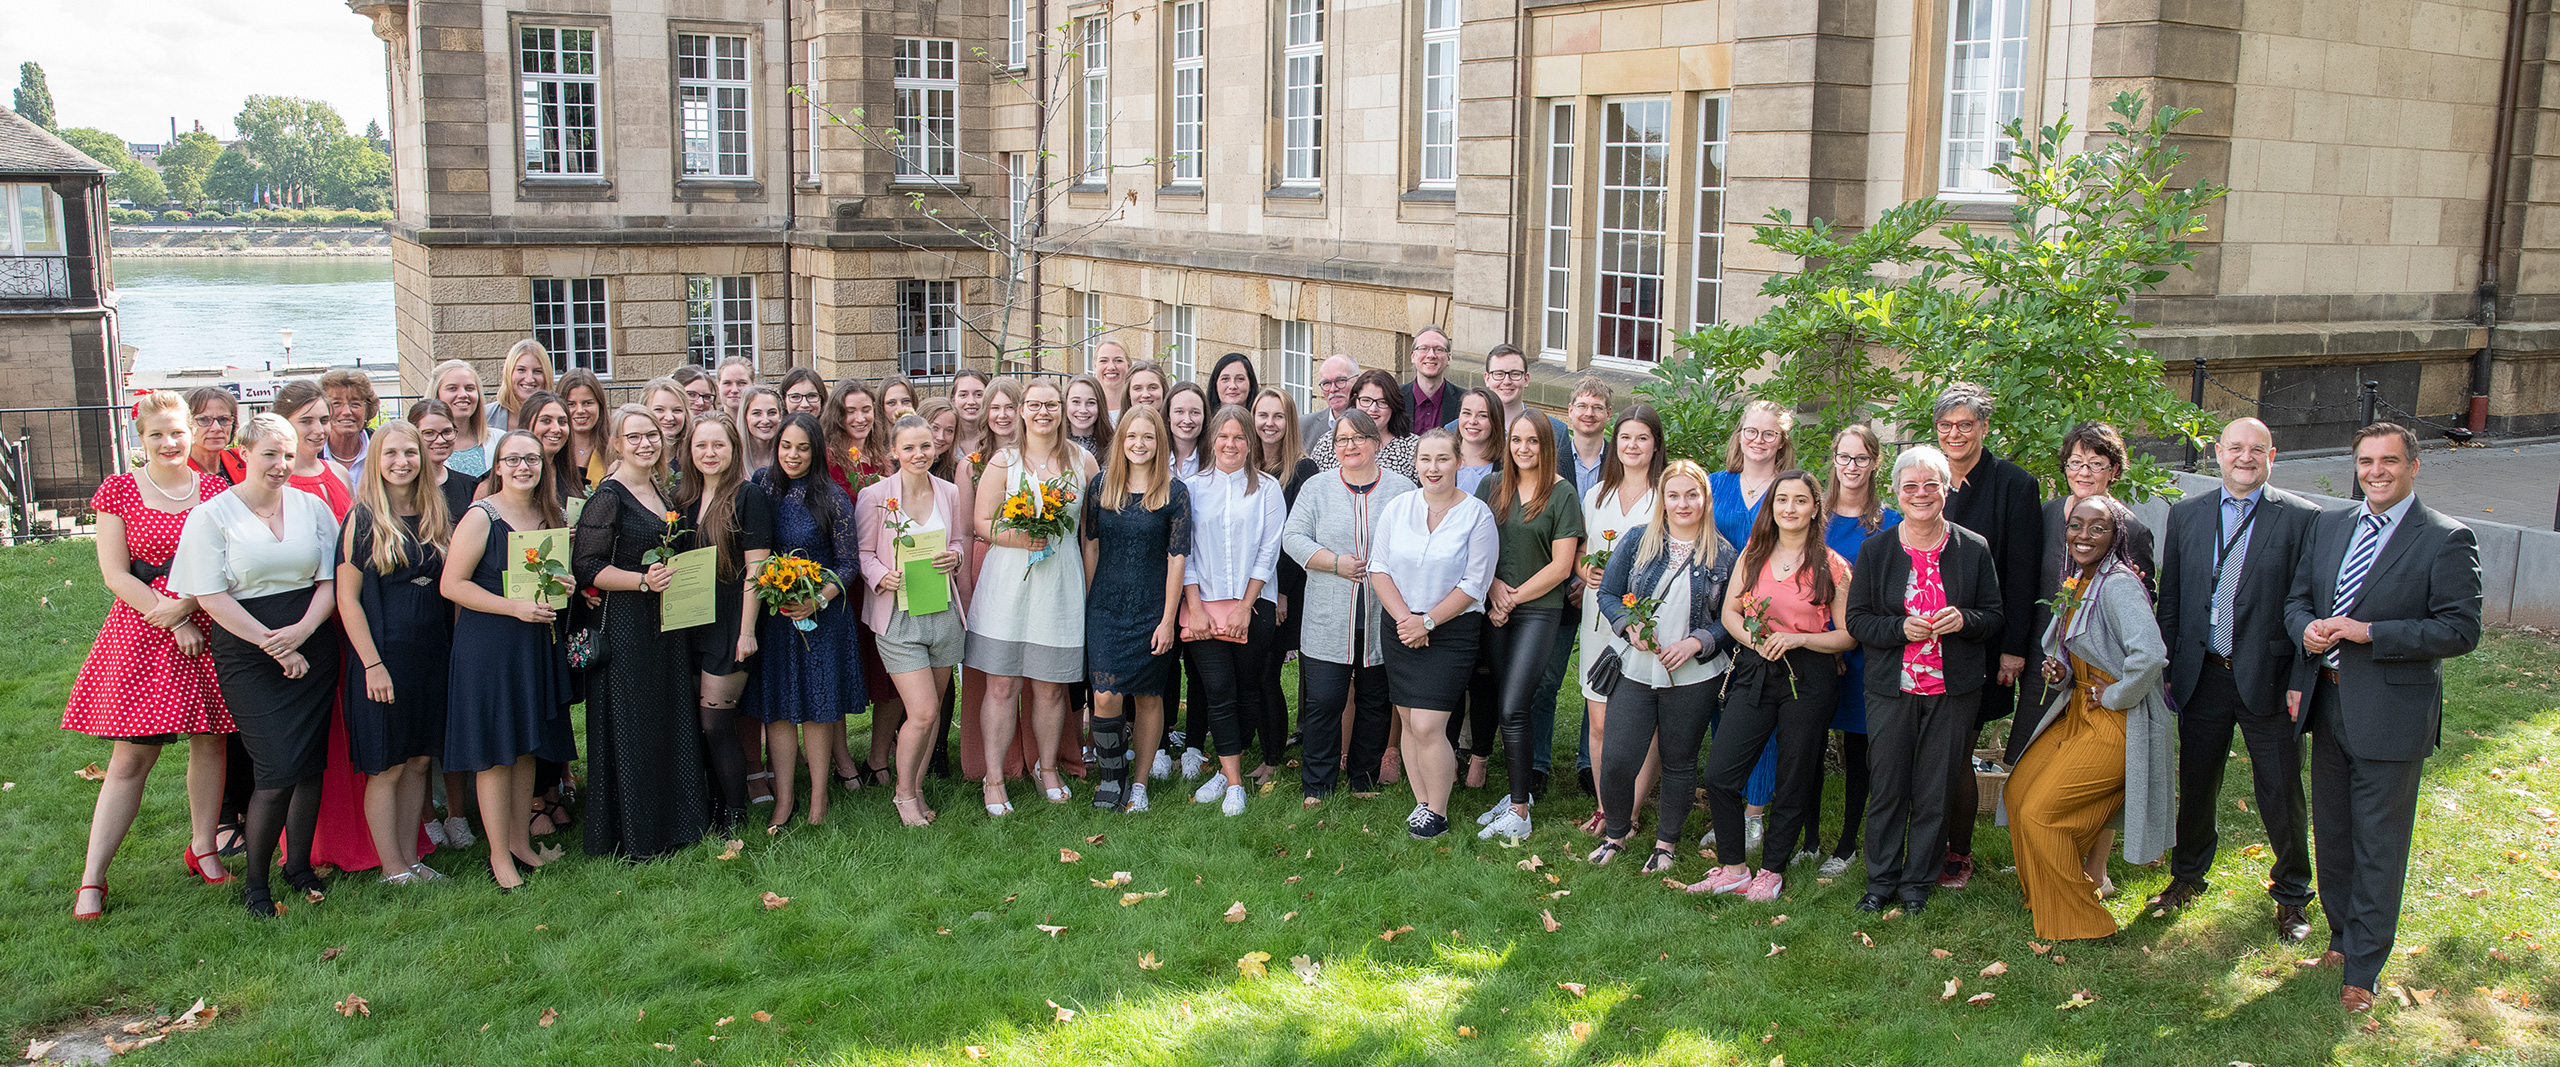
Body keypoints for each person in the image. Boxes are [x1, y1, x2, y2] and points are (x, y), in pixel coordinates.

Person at [2286, 422, 2482, 1012]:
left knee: (2379, 844)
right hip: (2331, 701)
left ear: (2413, 467)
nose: (2376, 472)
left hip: (2393, 714)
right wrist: (2308, 630)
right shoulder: (2330, 525)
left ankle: (2364, 971)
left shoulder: (2446, 538)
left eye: (2389, 461)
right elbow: (2298, 600)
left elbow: (2460, 629)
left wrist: (2370, 633)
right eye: (2366, 461)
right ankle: (2341, 940)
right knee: (2336, 835)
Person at [65, 391, 234, 919]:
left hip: (206, 624)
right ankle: (93, 877)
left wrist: (188, 607)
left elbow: (230, 559)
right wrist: (171, 615)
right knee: (133, 756)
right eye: (156, 434)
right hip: (144, 631)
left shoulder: (213, 488)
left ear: (191, 432)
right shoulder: (119, 490)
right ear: (141, 439)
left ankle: (204, 846)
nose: (169, 442)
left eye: (177, 431)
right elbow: (115, 573)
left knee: (211, 742)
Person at [2151, 417, 2320, 936]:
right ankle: (2188, 875)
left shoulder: (2301, 518)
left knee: (2280, 788)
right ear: (2217, 453)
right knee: (2198, 783)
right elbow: (2173, 597)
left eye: (2257, 449)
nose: (2245, 458)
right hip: (2202, 675)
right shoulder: (2186, 514)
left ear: (2273, 456)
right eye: (2235, 448)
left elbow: (2307, 602)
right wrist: (2169, 669)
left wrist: (2299, 677)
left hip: (2268, 677)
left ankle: (2292, 893)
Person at [171, 413, 345, 917]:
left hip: (310, 639)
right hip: (248, 650)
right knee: (275, 769)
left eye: (288, 454)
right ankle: (257, 886)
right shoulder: (212, 514)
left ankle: (299, 869)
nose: (281, 464)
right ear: (244, 453)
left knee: (310, 762)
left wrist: (303, 634)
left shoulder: (312, 507)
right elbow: (209, 595)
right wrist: (276, 646)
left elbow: (329, 581)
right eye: (270, 453)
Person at [1845, 445, 2003, 916]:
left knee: (1936, 788)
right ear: (1896, 492)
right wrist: (1898, 628)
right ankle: (1881, 881)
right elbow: (1857, 621)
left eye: (1931, 484)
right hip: (1891, 688)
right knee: (1889, 784)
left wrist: (1965, 620)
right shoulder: (1877, 550)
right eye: (1910, 486)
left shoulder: (1972, 548)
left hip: (1952, 689)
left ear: (1946, 489)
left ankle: (1917, 884)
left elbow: (1994, 617)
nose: (1920, 494)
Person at [2011, 495, 2173, 939]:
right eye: (2075, 525)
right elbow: (2080, 652)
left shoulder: (2117, 584)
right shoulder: (2081, 581)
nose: (2083, 535)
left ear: (2115, 535)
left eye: (2096, 527)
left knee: (2042, 813)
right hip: (2080, 708)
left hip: (2117, 721)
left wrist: (2117, 693)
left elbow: (2152, 654)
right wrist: (2061, 671)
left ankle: (2080, 920)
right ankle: (2045, 895)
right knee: (2018, 792)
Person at [1695, 470, 1855, 901]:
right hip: (1755, 666)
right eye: (1782, 500)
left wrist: (1801, 638)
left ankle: (1771, 869)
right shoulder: (1754, 553)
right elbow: (1730, 613)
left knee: (1794, 775)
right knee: (1721, 773)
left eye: (1800, 501)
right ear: (1772, 507)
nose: (1789, 508)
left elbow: (1848, 635)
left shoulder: (1832, 566)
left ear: (1815, 508)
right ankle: (1732, 868)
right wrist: (1755, 640)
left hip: (1810, 675)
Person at [2023, 420, 2159, 895]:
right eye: (2076, 462)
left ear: (2113, 471)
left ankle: (2094, 870)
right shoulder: (2044, 515)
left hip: (2100, 673)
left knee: (2095, 775)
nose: (2084, 471)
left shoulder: (2129, 528)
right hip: (2049, 662)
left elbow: (2144, 602)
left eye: (2096, 464)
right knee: (2044, 759)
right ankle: (2050, 851)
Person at [571, 405, 713, 860]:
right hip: (627, 623)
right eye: (633, 437)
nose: (645, 444)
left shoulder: (659, 487)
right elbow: (586, 565)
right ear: (615, 443)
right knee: (633, 723)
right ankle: (636, 833)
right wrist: (640, 580)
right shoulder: (608, 497)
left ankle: (678, 820)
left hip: (665, 623)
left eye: (651, 435)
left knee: (668, 715)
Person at [440, 431, 578, 892]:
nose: (524, 467)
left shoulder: (547, 514)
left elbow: (547, 578)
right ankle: (498, 857)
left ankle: (520, 842)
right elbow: (452, 585)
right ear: (497, 466)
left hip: (534, 643)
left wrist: (565, 585)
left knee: (525, 748)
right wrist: (512, 606)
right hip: (490, 647)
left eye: (532, 459)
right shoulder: (482, 515)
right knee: (496, 754)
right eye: (513, 459)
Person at [1590, 459, 1736, 872]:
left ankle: (1666, 845)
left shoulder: (1723, 553)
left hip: (1693, 675)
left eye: (1692, 494)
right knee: (1618, 758)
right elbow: (1609, 594)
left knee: (1679, 759)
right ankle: (1615, 834)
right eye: (1674, 495)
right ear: (1663, 499)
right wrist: (1628, 627)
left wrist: (1697, 642)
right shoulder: (1639, 540)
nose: (1683, 503)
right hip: (1636, 667)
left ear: (1705, 499)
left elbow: (1731, 619)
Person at [966, 378, 1097, 814]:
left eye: (1052, 405)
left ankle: (1048, 769)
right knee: (1002, 685)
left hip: (1059, 586)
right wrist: (1019, 538)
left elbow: (1090, 534)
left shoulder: (1083, 462)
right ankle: (994, 777)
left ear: (1062, 410)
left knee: (1051, 688)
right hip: (1007, 587)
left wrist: (1092, 587)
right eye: (1035, 404)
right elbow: (982, 522)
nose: (1044, 412)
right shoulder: (1004, 461)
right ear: (1022, 410)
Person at [1930, 382, 2041, 891]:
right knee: (1926, 747)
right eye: (1946, 426)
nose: (1955, 434)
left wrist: (2015, 648)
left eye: (1965, 425)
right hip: (1919, 641)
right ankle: (1925, 842)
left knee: (1957, 749)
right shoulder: (1925, 478)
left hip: (1981, 642)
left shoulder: (2014, 485)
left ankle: (1958, 852)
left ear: (1984, 429)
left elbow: (2022, 574)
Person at [333, 419, 454, 886]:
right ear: (376, 462)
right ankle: (391, 868)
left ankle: (411, 861)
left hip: (431, 655)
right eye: (390, 454)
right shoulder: (362, 519)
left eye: (410, 453)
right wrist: (372, 664)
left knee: (420, 759)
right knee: (387, 764)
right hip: (383, 657)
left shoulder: (435, 513)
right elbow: (347, 599)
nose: (401, 462)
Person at [1368, 429, 1497, 839]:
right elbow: (1379, 567)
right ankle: (1422, 803)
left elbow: (1475, 584)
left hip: (1451, 631)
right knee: (1407, 719)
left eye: (1443, 459)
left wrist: (1428, 622)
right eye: (1425, 459)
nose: (1433, 468)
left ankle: (1437, 813)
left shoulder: (1478, 515)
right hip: (1400, 625)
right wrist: (1408, 619)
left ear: (1458, 461)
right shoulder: (1398, 507)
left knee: (1427, 724)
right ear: (1416, 463)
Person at [1284, 410, 1413, 804]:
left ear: (1376, 443)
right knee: (1324, 700)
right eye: (1343, 440)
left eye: (1359, 438)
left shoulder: (1402, 489)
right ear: (1333, 446)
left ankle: (1363, 779)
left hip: (1382, 614)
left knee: (1375, 701)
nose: (1351, 446)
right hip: (1329, 613)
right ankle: (1317, 784)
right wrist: (1333, 562)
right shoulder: (1317, 488)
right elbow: (1292, 536)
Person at [1468, 411, 1583, 842]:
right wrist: (1494, 589)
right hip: (1494, 606)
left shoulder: (1562, 493)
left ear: (1546, 446)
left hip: (1537, 611)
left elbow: (1561, 567)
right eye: (1517, 440)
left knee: (1516, 705)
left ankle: (1519, 810)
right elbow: (1476, 546)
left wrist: (1512, 597)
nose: (1524, 449)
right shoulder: (1492, 486)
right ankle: (1519, 796)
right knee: (1505, 703)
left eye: (1533, 441)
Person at [748, 412, 865, 831]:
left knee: (818, 706)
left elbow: (849, 564)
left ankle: (818, 797)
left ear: (815, 451)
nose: (792, 455)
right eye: (786, 446)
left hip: (822, 616)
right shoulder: (762, 485)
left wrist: (818, 599)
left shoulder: (832, 495)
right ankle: (784, 799)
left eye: (802, 447)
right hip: (775, 616)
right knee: (778, 708)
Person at [856, 415, 972, 825]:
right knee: (921, 712)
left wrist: (955, 556)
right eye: (909, 448)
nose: (919, 454)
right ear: (893, 452)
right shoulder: (874, 496)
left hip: (941, 610)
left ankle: (917, 787)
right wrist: (878, 576)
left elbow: (958, 540)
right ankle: (903, 796)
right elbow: (864, 554)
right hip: (898, 616)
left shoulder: (950, 492)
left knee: (934, 711)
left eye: (926, 446)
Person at [1082, 405, 1193, 811]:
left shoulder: (1174, 493)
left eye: (1148, 437)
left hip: (1152, 608)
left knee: (1148, 697)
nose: (1139, 444)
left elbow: (1177, 558)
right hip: (1107, 607)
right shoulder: (1100, 487)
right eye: (1131, 437)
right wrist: (1092, 602)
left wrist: (1168, 619)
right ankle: (1112, 779)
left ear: (1159, 442)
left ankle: (1140, 784)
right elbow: (1090, 544)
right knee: (1106, 696)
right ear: (1121, 441)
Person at [1180, 405, 1284, 815]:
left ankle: (1225, 770)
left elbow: (1269, 549)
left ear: (1250, 443)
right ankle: (1236, 784)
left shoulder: (1268, 489)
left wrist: (1246, 604)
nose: (1230, 444)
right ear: (1212, 440)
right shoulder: (1190, 487)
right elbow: (1182, 550)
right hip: (1201, 606)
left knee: (1247, 689)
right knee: (1217, 690)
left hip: (1254, 606)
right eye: (1223, 436)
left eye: (1239, 437)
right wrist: (1194, 606)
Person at [1568, 403, 1664, 831]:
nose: (1632, 445)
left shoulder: (1666, 496)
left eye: (1642, 437)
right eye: (1626, 437)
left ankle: (1632, 810)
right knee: (1602, 718)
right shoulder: (1596, 495)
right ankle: (1607, 808)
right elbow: (1580, 551)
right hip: (1598, 619)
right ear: (1615, 442)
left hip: (1648, 619)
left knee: (1643, 721)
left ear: (1655, 444)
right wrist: (1584, 568)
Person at [1812, 424, 1900, 878]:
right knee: (1806, 740)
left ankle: (1847, 844)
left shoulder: (1891, 523)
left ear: (1874, 464)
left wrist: (1850, 639)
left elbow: (1893, 593)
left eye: (1861, 459)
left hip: (1866, 651)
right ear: (1833, 460)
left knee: (1857, 746)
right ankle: (1807, 837)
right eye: (1844, 458)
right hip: (1812, 646)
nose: (1851, 467)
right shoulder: (1814, 515)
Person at [680, 415, 775, 829]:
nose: (709, 453)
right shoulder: (680, 500)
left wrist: (747, 631)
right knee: (697, 725)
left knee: (717, 722)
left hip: (732, 622)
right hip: (689, 622)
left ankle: (734, 813)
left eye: (718, 445)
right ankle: (710, 806)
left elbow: (758, 569)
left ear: (733, 449)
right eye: (701, 446)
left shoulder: (747, 496)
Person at [1252, 386, 1316, 783]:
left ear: (1289, 421)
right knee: (1254, 671)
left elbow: (1298, 536)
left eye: (1278, 416)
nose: (1269, 424)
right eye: (1262, 415)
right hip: (1250, 587)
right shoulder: (1243, 462)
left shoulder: (1303, 470)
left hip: (1285, 588)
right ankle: (1259, 746)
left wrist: (1280, 591)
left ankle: (1273, 759)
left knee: (1267, 671)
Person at [1311, 370, 1419, 482]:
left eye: (1382, 402)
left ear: (1393, 405)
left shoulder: (1413, 448)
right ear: (1355, 400)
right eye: (1366, 400)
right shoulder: (1329, 442)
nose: (1373, 409)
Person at [272, 381, 353, 518]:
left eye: (324, 420)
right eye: (306, 421)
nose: (319, 430)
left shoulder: (339, 472)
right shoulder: (277, 484)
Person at [408, 399, 481, 542]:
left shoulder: (470, 486)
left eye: (447, 432)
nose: (440, 440)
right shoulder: (403, 487)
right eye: (429, 433)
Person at [1478, 344, 1569, 444]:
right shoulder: (1464, 428)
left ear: (1526, 379)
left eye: (1515, 374)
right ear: (1487, 378)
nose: (1507, 381)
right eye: (1499, 374)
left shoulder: (1556, 431)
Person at [431, 359, 498, 480]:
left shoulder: (499, 440)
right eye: (452, 388)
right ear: (437, 394)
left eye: (469, 388)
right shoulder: (423, 447)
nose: (463, 394)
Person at [516, 390, 582, 505]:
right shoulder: (510, 474)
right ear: (526, 424)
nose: (556, 429)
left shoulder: (573, 477)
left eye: (562, 422)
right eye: (546, 421)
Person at [319, 368, 378, 489]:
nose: (347, 412)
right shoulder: (311, 453)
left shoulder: (382, 446)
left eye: (355, 404)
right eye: (336, 403)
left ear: (367, 410)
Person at [184, 386, 248, 486]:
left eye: (223, 419)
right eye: (203, 419)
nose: (217, 428)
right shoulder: (174, 472)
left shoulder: (245, 459)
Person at [559, 368, 611, 488]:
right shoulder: (551, 450)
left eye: (587, 403)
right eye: (571, 404)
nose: (580, 411)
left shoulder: (617, 450)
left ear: (600, 405)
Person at [1403, 326, 1460, 431]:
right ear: (1412, 357)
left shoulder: (1463, 401)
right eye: (1424, 348)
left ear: (1448, 358)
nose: (1431, 355)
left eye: (1438, 349)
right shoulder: (1394, 398)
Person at [491, 339, 554, 431]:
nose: (529, 379)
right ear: (509, 372)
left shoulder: (560, 417)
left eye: (537, 371)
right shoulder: (485, 417)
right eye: (521, 370)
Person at [1452, 386, 1503, 495]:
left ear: (1496, 421)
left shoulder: (1506, 466)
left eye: (1482, 415)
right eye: (1467, 413)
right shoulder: (1442, 459)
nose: (1472, 421)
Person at [1300, 354, 1358, 444]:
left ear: (1357, 381)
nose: (1333, 389)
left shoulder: (1373, 423)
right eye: (1326, 383)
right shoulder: (1304, 426)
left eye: (1341, 380)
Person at [643, 377, 692, 469]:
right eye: (659, 410)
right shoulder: (630, 460)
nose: (669, 418)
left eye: (677, 410)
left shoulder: (695, 456)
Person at [1165, 381, 1210, 479]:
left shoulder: (1214, 461)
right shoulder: (1155, 458)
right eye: (1179, 411)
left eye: (1195, 412)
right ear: (1168, 415)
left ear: (1204, 416)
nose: (1187, 420)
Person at [739, 384, 785, 476]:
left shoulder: (787, 456)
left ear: (780, 415)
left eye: (772, 412)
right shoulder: (734, 459)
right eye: (757, 413)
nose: (765, 420)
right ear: (745, 416)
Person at [951, 368, 993, 461]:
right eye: (963, 395)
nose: (971, 401)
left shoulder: (997, 438)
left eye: (978, 395)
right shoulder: (945, 439)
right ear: (953, 399)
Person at [1064, 373, 1108, 458]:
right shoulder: (1052, 443)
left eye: (1091, 402)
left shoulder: (1113, 445)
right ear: (1065, 403)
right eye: (1076, 402)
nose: (1083, 410)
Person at [1091, 339, 1132, 423]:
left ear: (1129, 366)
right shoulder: (1086, 408)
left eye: (1118, 360)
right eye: (1103, 361)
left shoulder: (1136, 405)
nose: (1111, 367)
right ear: (1095, 366)